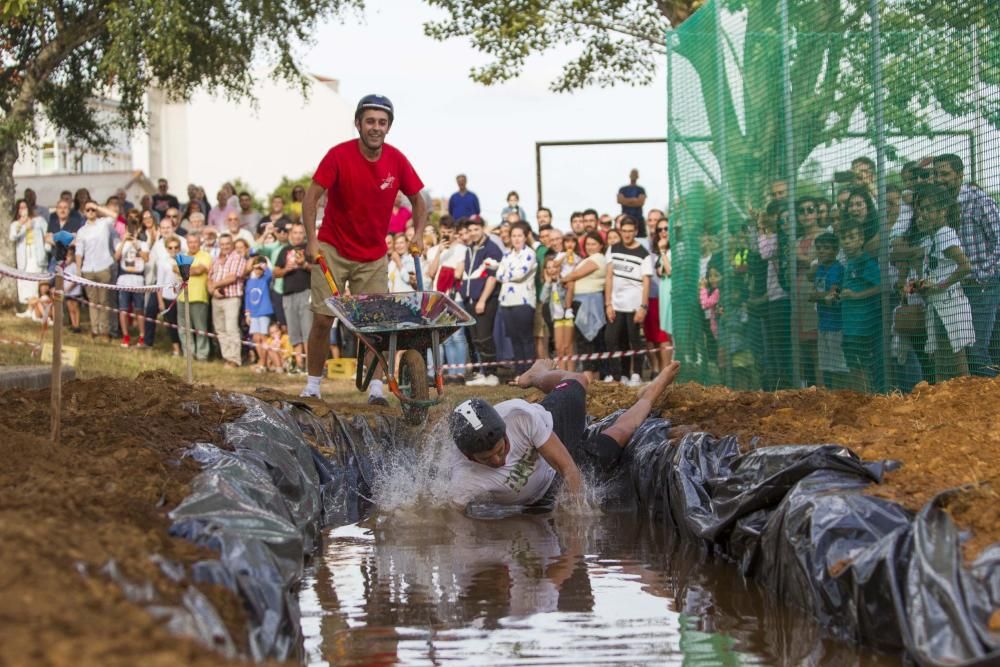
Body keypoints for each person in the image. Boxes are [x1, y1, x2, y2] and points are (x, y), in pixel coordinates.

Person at [300, 94, 426, 401]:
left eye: (382, 122)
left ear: (389, 127)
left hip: (372, 255)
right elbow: (311, 197)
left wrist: (419, 234)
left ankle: (376, 389)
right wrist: (311, 239)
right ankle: (313, 386)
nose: (376, 127)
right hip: (332, 247)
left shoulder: (396, 159)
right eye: (370, 121)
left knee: (376, 324)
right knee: (322, 319)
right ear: (358, 123)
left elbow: (419, 201)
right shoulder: (338, 155)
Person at [446, 359, 682, 510]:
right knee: (620, 433)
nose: (499, 460)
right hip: (545, 492)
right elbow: (453, 529)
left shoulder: (519, 416)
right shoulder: (463, 481)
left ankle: (537, 374)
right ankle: (650, 394)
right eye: (487, 459)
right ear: (469, 457)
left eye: (502, 449)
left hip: (554, 428)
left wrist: (577, 518)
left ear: (506, 432)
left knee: (579, 379)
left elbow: (568, 468)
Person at [934, 153, 1000, 377]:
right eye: (936, 174)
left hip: (984, 285)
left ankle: (991, 403)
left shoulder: (979, 200)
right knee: (961, 348)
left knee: (976, 348)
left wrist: (982, 274)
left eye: (945, 174)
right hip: (959, 287)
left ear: (960, 175)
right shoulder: (942, 205)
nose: (939, 179)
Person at [604, 216, 652, 386]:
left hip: (634, 306)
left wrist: (643, 307)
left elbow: (647, 282)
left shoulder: (644, 254)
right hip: (616, 305)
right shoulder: (613, 249)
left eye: (630, 231)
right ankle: (619, 375)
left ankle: (637, 374)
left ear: (636, 232)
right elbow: (609, 276)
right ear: (620, 231)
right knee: (612, 339)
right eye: (624, 231)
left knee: (634, 340)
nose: (627, 234)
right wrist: (608, 303)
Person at [838, 221, 883, 392]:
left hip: (862, 326)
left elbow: (880, 286)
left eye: (851, 237)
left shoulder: (865, 262)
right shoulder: (848, 263)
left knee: (862, 365)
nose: (847, 241)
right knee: (852, 365)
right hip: (849, 325)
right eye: (844, 238)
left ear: (861, 239)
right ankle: (858, 396)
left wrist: (856, 295)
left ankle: (866, 396)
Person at [562, 232, 608, 381]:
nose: (590, 247)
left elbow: (575, 274)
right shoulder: (587, 258)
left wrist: (565, 278)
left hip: (589, 302)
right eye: (588, 244)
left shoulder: (598, 258)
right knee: (585, 341)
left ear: (601, 245)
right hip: (581, 301)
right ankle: (591, 376)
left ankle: (590, 377)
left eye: (594, 244)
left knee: (589, 341)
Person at [463, 217, 504, 387]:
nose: (473, 233)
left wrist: (482, 300)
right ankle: (482, 372)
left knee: (484, 337)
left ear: (483, 229)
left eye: (476, 229)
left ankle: (492, 374)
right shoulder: (470, 249)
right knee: (475, 338)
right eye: (470, 230)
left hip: (485, 300)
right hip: (469, 300)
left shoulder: (491, 249)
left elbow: (492, 277)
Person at [808, 232, 849, 388]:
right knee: (826, 367)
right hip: (823, 323)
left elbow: (832, 296)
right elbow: (814, 295)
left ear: (836, 250)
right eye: (818, 248)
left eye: (826, 248)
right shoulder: (819, 269)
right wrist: (821, 296)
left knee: (839, 367)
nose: (821, 251)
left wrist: (820, 296)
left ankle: (842, 396)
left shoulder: (837, 269)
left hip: (836, 325)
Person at [496, 221, 538, 376]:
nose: (516, 239)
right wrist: (508, 276)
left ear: (526, 237)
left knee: (526, 338)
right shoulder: (506, 255)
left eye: (519, 235)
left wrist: (507, 276)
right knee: (514, 338)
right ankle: (520, 372)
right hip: (507, 301)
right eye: (513, 235)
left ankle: (531, 373)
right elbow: (498, 275)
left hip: (524, 301)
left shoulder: (530, 254)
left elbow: (521, 274)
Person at [74, 201, 117, 341]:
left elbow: (115, 215)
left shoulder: (103, 223)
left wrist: (97, 207)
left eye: (93, 209)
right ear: (84, 212)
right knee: (93, 301)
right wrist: (78, 269)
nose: (91, 212)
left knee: (104, 300)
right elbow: (79, 251)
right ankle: (95, 329)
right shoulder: (82, 231)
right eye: (88, 210)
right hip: (88, 269)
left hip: (104, 266)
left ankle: (105, 330)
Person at [274, 222, 313, 372]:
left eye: (300, 233)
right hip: (288, 295)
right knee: (294, 332)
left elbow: (318, 270)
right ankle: (299, 365)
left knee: (307, 331)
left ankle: (311, 367)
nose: (297, 236)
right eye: (295, 233)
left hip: (306, 293)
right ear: (290, 235)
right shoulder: (284, 250)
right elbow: (275, 272)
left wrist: (304, 265)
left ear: (304, 234)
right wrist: (285, 270)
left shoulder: (309, 249)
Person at [208, 233, 248, 367]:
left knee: (231, 328)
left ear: (232, 244)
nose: (225, 246)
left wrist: (215, 285)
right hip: (216, 298)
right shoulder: (215, 259)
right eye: (222, 244)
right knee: (220, 329)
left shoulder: (238, 258)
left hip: (231, 298)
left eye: (227, 244)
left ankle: (234, 359)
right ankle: (227, 357)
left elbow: (232, 278)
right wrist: (212, 290)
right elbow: (209, 277)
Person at [113, 220, 150, 347]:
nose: (131, 231)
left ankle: (141, 336)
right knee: (123, 309)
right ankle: (126, 336)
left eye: (133, 229)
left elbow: (146, 259)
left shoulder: (143, 244)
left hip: (138, 280)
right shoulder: (120, 244)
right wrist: (124, 241)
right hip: (123, 279)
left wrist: (136, 245)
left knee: (139, 309)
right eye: (129, 229)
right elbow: (116, 258)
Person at [177, 232, 212, 362]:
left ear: (199, 243)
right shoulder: (182, 256)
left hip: (199, 297)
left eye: (195, 242)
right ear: (187, 243)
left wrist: (183, 269)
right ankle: (188, 353)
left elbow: (199, 270)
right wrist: (188, 269)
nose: (192, 244)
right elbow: (175, 268)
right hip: (182, 297)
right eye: (190, 242)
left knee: (200, 328)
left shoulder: (206, 256)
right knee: (183, 328)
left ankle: (202, 355)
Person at [9, 198, 48, 312]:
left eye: (24, 207)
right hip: (24, 255)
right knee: (25, 282)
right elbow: (13, 237)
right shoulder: (16, 224)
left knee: (34, 281)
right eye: (20, 208)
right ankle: (29, 309)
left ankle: (34, 311)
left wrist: (47, 249)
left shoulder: (39, 220)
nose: (23, 210)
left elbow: (46, 234)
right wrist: (23, 226)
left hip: (37, 254)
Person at [540, 254, 574, 370]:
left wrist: (558, 279)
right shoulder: (550, 285)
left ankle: (571, 375)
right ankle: (562, 375)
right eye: (548, 268)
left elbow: (567, 294)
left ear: (559, 267)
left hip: (567, 316)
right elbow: (543, 298)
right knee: (559, 348)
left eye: (553, 267)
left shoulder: (564, 281)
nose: (551, 270)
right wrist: (548, 282)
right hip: (557, 318)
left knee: (568, 348)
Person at [244, 255, 275, 373]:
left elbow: (270, 272)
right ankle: (262, 361)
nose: (258, 271)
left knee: (263, 337)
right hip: (254, 313)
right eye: (255, 268)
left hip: (264, 311)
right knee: (256, 338)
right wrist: (247, 313)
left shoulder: (265, 279)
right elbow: (247, 297)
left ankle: (264, 362)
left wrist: (262, 264)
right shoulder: (250, 281)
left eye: (260, 269)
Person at [156, 238, 184, 356]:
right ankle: (176, 349)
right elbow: (159, 283)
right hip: (168, 297)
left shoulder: (184, 260)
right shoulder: (163, 262)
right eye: (170, 248)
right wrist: (160, 301)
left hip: (182, 297)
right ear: (167, 249)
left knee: (182, 324)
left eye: (176, 247)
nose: (173, 250)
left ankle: (185, 348)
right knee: (172, 324)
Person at [617, 169, 647, 237]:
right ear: (629, 175)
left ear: (638, 176)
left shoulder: (641, 189)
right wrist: (634, 200)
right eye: (632, 174)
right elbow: (620, 200)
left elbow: (640, 202)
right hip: (625, 218)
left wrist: (626, 200)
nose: (634, 176)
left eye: (635, 174)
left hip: (638, 219)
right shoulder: (623, 189)